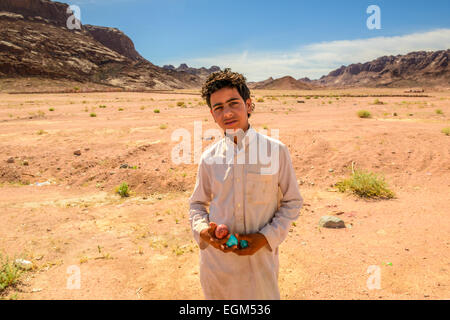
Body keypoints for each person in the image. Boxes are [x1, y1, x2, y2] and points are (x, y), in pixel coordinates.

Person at [189, 68, 303, 300]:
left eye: (233, 103)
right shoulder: (209, 158)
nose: (227, 113)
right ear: (212, 114)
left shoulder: (275, 151)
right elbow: (197, 205)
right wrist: (204, 232)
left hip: (259, 265)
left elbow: (292, 201)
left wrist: (265, 237)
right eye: (218, 107)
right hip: (217, 267)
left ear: (249, 105)